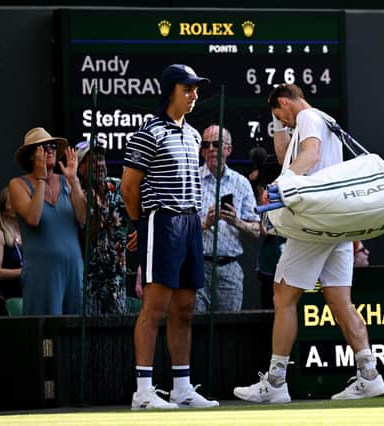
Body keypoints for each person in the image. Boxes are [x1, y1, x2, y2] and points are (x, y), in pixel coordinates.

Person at [233, 84, 384, 403]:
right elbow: (287, 155)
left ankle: (275, 383)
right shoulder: (322, 119)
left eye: (280, 115)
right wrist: (278, 125)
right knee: (338, 299)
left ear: (285, 102)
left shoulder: (306, 117)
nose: (284, 124)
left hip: (315, 222)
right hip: (338, 224)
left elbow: (309, 154)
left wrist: (282, 183)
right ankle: (370, 375)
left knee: (283, 295)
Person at [121, 63, 218, 410]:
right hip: (161, 222)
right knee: (155, 306)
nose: (194, 95)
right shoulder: (149, 132)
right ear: (170, 92)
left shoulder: (193, 135)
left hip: (190, 224)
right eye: (187, 89)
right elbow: (129, 187)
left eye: (195, 89)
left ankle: (181, 387)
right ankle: (143, 392)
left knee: (185, 308)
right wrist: (140, 225)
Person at [8, 127, 86, 315]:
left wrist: (74, 180)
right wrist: (41, 179)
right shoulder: (18, 184)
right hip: (41, 271)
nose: (50, 150)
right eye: (43, 147)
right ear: (30, 156)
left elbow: (83, 218)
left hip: (73, 270)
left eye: (52, 146)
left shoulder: (67, 181)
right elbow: (33, 218)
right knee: (45, 334)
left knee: (74, 330)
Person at [196, 124, 260, 313]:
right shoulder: (191, 180)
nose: (211, 150)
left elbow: (257, 230)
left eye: (216, 144)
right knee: (195, 327)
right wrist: (205, 223)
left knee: (229, 330)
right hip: (197, 266)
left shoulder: (241, 183)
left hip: (229, 268)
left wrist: (237, 222)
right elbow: (178, 227)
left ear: (228, 149)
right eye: (206, 145)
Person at [76, 141, 137, 316]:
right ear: (81, 168)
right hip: (88, 281)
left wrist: (140, 230)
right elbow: (88, 235)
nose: (100, 164)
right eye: (93, 160)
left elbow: (141, 209)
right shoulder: (76, 195)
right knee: (91, 333)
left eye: (101, 158)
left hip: (116, 277)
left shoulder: (117, 187)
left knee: (118, 333)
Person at [0, 187, 23, 298]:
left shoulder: (27, 234)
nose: (18, 204)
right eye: (13, 201)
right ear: (4, 210)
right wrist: (24, 272)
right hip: (13, 298)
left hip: (30, 294)